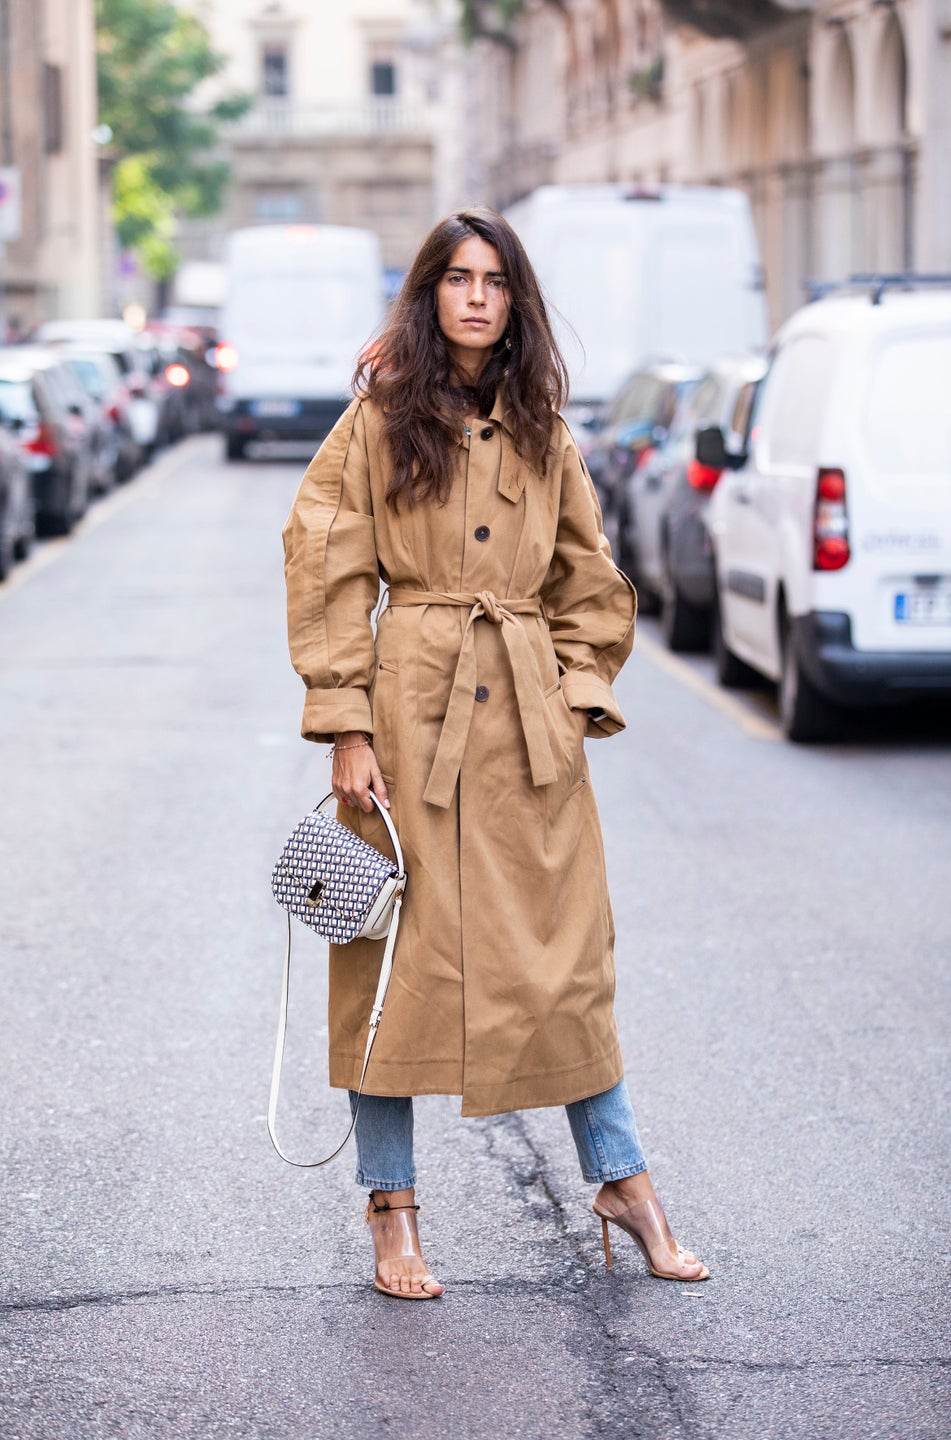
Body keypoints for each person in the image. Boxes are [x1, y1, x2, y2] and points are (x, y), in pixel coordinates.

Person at [282, 209, 708, 1300]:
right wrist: (347, 725)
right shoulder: (378, 421)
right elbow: (325, 560)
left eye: (496, 280)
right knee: (385, 968)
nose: (476, 296)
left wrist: (570, 697)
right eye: (456, 278)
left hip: (524, 728)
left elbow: (590, 576)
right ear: (428, 294)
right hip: (408, 715)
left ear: (516, 301)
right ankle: (393, 1211)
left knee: (562, 962)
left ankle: (622, 1180)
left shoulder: (541, 426)